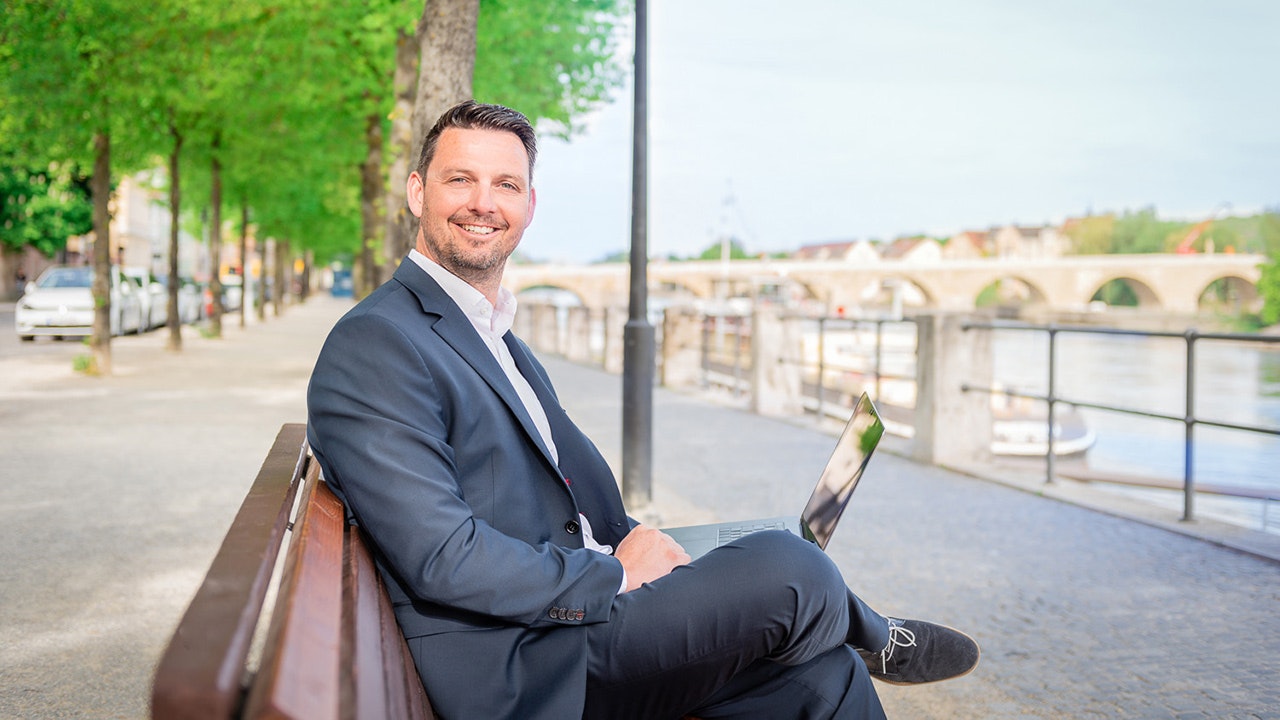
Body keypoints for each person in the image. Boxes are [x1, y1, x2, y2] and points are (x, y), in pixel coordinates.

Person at [306, 100, 979, 720]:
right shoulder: (378, 343)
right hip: (524, 660)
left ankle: (841, 637)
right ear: (417, 191)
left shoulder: (489, 332)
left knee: (821, 675)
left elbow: (557, 498)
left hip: (572, 617)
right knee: (792, 568)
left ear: (530, 205)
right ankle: (875, 635)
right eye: (461, 180)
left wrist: (653, 552)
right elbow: (444, 556)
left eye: (505, 185)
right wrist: (621, 572)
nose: (484, 203)